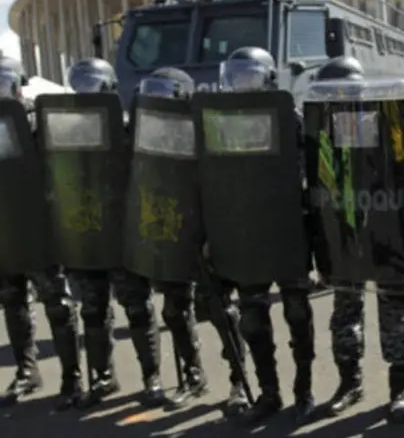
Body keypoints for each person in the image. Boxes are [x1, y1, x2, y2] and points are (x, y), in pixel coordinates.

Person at [135, 67, 249, 414]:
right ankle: (193, 376)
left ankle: (238, 382)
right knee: (174, 309)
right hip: (170, 229)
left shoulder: (207, 126)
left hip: (206, 229)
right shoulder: (146, 132)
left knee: (221, 309)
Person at [211, 47, 316, 424]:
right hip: (246, 232)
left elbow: (311, 175)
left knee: (297, 312)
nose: (241, 84)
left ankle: (304, 389)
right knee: (252, 318)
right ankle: (268, 393)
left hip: (287, 230)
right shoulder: (219, 121)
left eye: (249, 76)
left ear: (269, 78)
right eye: (236, 77)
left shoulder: (292, 119)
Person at [315, 56, 404, 424]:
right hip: (345, 232)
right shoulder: (319, 127)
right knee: (345, 315)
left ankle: (399, 390)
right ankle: (349, 383)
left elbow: (403, 171)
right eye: (331, 92)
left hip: (383, 227)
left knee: (394, 315)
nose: (338, 97)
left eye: (344, 90)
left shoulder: (382, 119)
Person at [64, 58, 167, 408]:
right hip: (86, 233)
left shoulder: (127, 128)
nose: (83, 93)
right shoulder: (61, 130)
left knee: (137, 307)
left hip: (122, 233)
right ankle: (103, 377)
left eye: (90, 85)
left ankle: (151, 377)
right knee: (92, 311)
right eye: (78, 85)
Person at [0, 58, 83, 410]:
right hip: (5, 225)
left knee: (58, 303)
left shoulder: (39, 120)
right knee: (12, 299)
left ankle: (72, 378)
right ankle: (27, 371)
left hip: (40, 226)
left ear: (19, 85)